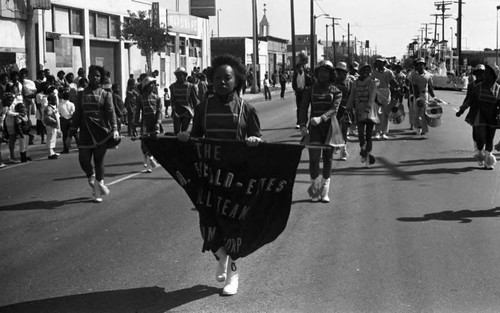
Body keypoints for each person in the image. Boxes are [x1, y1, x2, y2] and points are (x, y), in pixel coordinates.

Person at [177, 54, 262, 296]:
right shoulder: (203, 108)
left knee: (234, 227)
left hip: (236, 179)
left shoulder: (247, 109)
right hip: (209, 177)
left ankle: (233, 276)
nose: (222, 82)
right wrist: (185, 137)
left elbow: (258, 138)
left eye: (227, 78)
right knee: (208, 224)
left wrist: (255, 140)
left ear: (237, 81)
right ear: (211, 81)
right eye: (217, 78)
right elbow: (195, 138)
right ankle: (221, 256)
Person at [70, 65, 120, 202]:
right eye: (92, 75)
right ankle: (91, 176)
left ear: (101, 78)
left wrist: (115, 128)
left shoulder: (106, 94)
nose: (94, 78)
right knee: (83, 160)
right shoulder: (81, 94)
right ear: (88, 76)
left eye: (97, 75)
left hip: (101, 132)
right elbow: (78, 112)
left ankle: (98, 191)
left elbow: (111, 112)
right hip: (85, 131)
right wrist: (73, 128)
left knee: (98, 160)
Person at [299, 60, 342, 203]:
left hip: (330, 128)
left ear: (331, 74)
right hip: (314, 129)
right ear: (316, 73)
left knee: (328, 159)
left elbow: (334, 110)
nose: (323, 74)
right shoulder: (309, 90)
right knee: (314, 160)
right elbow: (303, 108)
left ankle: (325, 191)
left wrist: (322, 118)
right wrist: (303, 125)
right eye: (321, 71)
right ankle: (315, 190)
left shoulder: (336, 91)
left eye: (326, 71)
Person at [346, 63, 380, 168]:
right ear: (359, 72)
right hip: (359, 109)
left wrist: (367, 111)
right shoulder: (355, 83)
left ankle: (368, 157)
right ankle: (363, 150)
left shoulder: (372, 83)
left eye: (367, 71)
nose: (365, 73)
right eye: (363, 70)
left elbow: (372, 98)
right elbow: (352, 96)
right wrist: (347, 108)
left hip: (369, 110)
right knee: (360, 134)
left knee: (368, 135)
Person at [466, 64, 500, 169]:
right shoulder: (476, 87)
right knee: (480, 139)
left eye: (487, 73)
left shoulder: (498, 88)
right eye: (484, 73)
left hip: (492, 116)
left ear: (493, 76)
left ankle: (488, 161)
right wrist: (462, 109)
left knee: (489, 139)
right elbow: (469, 99)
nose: (484, 75)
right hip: (479, 115)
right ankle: (480, 151)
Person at [456, 64, 485, 158]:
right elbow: (468, 99)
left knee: (487, 131)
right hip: (475, 110)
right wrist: (461, 110)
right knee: (476, 132)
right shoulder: (472, 85)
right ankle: (477, 147)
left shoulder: (489, 85)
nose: (480, 75)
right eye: (478, 73)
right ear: (475, 74)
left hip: (487, 111)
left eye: (482, 73)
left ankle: (485, 150)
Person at [135, 76, 163, 173]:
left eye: (153, 84)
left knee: (153, 141)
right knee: (144, 142)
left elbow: (159, 111)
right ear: (146, 86)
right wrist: (135, 124)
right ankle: (149, 160)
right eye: (151, 84)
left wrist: (158, 123)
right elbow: (137, 111)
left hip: (154, 122)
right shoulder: (140, 98)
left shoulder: (157, 98)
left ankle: (150, 159)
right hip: (145, 123)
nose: (153, 86)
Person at [372, 58, 397, 140]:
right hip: (377, 92)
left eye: (381, 63)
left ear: (384, 63)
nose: (380, 64)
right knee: (377, 113)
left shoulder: (388, 72)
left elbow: (394, 82)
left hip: (386, 92)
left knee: (386, 114)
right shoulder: (374, 73)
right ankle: (377, 132)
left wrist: (395, 93)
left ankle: (384, 132)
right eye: (378, 63)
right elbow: (372, 85)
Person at [409, 57, 435, 137]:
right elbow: (414, 88)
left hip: (425, 94)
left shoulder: (428, 75)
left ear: (424, 65)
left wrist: (433, 96)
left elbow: (430, 86)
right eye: (418, 65)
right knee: (416, 113)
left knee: (424, 113)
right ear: (416, 66)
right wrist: (418, 99)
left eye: (422, 64)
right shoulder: (414, 75)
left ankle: (424, 130)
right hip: (417, 95)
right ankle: (417, 127)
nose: (420, 66)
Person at [169, 67, 199, 134]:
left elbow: (195, 100)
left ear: (185, 76)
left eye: (180, 75)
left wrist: (197, 112)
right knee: (176, 132)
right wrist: (173, 109)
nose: (178, 77)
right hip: (177, 111)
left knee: (184, 132)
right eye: (177, 75)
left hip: (187, 111)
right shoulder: (172, 86)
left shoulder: (190, 86)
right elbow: (172, 99)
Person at [334, 62, 353, 160]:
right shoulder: (332, 82)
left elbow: (352, 95)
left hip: (345, 109)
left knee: (344, 130)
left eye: (343, 72)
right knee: (335, 130)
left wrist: (350, 107)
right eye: (339, 72)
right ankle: (336, 145)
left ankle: (343, 150)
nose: (341, 74)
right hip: (334, 110)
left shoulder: (349, 82)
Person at [292, 63, 313, 128]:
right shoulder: (295, 76)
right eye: (298, 68)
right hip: (298, 94)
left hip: (305, 94)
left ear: (303, 68)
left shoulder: (307, 76)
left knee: (304, 108)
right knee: (299, 108)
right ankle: (298, 122)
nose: (300, 69)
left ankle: (305, 122)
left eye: (301, 67)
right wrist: (297, 89)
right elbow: (294, 85)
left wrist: (305, 88)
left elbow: (311, 84)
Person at [58, 88, 77, 153]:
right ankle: (79, 146)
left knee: (65, 135)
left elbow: (59, 113)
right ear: (69, 97)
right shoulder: (71, 104)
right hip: (71, 119)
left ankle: (66, 149)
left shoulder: (60, 104)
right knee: (75, 133)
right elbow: (73, 112)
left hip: (64, 119)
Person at [43, 93, 61, 159]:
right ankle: (50, 153)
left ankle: (52, 151)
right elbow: (48, 115)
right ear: (50, 101)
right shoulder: (49, 108)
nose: (55, 101)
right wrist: (54, 121)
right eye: (54, 100)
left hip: (53, 125)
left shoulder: (53, 107)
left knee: (53, 139)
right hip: (51, 125)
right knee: (50, 139)